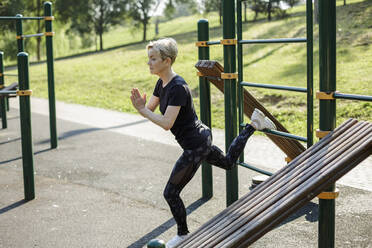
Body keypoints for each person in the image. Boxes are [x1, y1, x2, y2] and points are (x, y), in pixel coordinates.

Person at [130, 38, 276, 248]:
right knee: (227, 163)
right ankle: (254, 124)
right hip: (199, 138)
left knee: (170, 193)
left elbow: (166, 123)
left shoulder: (178, 87)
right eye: (148, 59)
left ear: (167, 61)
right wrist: (142, 107)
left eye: (153, 59)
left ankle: (183, 235)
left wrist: (143, 111)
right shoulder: (161, 84)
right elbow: (151, 109)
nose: (149, 63)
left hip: (195, 144)